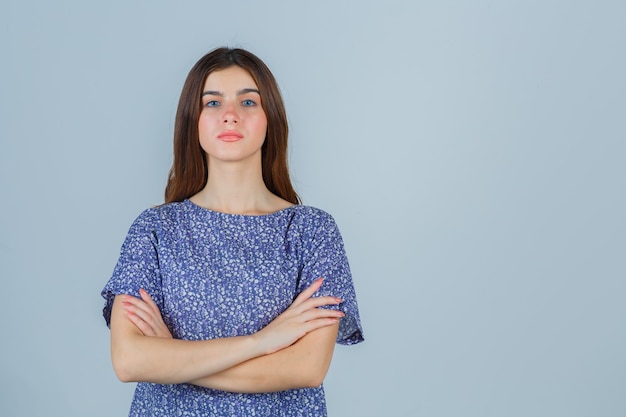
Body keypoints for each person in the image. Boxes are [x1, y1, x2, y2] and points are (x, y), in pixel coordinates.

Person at [101, 47, 364, 417]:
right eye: (212, 102)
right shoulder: (155, 230)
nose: (230, 115)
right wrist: (263, 342)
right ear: (192, 119)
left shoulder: (313, 231)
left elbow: (306, 368)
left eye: (248, 101)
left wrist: (175, 359)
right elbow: (129, 360)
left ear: (270, 117)